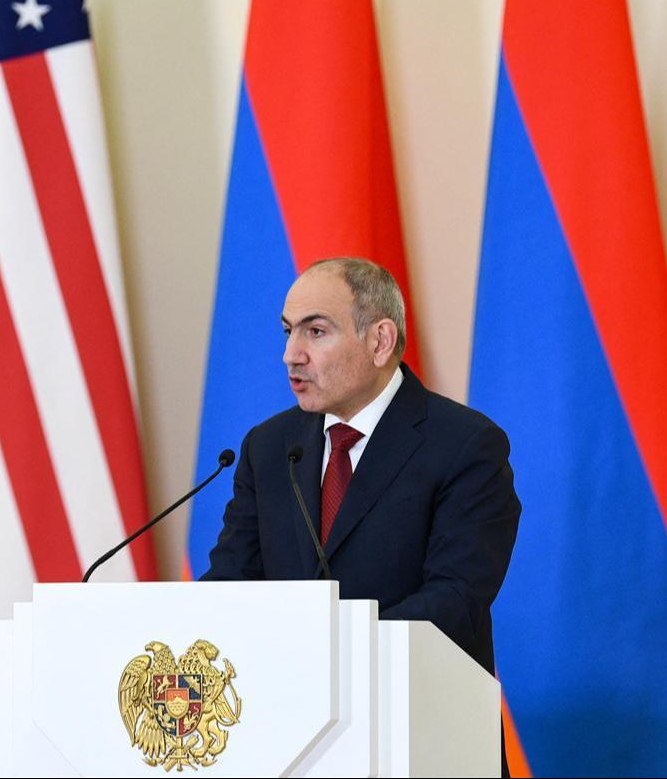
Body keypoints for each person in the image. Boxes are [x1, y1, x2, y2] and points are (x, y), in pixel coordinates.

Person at [201, 256, 521, 677]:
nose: (290, 355)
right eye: (287, 331)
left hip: (418, 714)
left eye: (315, 332)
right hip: (288, 719)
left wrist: (322, 657)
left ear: (380, 341)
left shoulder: (465, 445)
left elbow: (453, 600)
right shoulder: (269, 447)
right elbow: (230, 583)